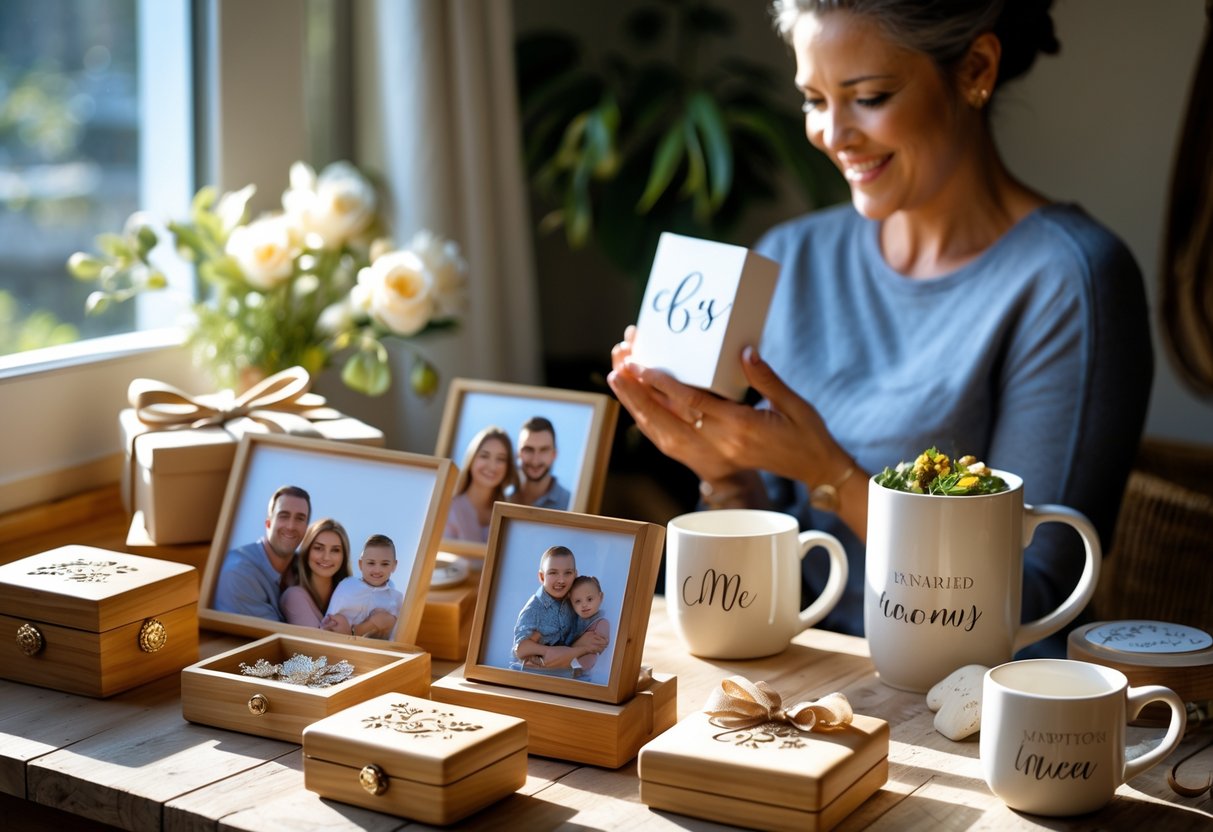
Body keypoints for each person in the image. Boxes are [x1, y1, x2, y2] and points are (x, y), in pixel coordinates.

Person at [608, 0, 1152, 654]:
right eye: (812, 100)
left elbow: (1034, 605)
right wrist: (722, 472)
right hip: (793, 676)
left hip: (957, 709)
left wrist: (830, 474)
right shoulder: (796, 257)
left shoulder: (1070, 280)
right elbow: (764, 588)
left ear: (974, 68)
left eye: (867, 97)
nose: (832, 134)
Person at [213, 485, 311, 621]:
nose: (291, 526)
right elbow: (276, 637)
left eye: (300, 518)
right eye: (284, 516)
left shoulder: (304, 569)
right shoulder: (238, 573)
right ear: (268, 524)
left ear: (306, 528)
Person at [513, 545, 608, 671]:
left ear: (575, 575)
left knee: (601, 623)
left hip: (567, 665)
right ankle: (583, 650)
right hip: (540, 669)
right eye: (553, 573)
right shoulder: (533, 610)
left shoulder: (575, 599)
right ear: (542, 577)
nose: (561, 580)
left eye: (567, 573)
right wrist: (549, 651)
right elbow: (520, 649)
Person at [445, 426, 520, 542]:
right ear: (471, 459)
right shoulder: (448, 508)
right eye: (484, 456)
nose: (492, 466)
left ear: (508, 466)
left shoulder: (510, 518)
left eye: (500, 459)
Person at [325, 533, 404, 639]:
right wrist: (372, 623)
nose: (377, 570)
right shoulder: (347, 587)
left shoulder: (396, 599)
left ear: (394, 566)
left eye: (384, 564)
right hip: (339, 644)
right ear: (360, 564)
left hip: (374, 650)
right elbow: (327, 623)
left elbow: (395, 636)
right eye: (371, 563)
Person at [280, 518, 352, 630]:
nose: (326, 557)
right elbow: (316, 645)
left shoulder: (351, 598)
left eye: (335, 550)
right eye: (318, 548)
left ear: (344, 557)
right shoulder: (293, 596)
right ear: (307, 552)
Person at [513, 416, 571, 510]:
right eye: (528, 449)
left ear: (554, 454)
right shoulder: (503, 499)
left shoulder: (571, 506)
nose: (535, 460)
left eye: (544, 450)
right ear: (518, 454)